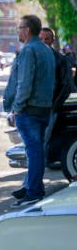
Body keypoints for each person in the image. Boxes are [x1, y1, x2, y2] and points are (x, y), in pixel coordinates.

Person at [3, 15, 55, 206]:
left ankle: (33, 191)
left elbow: (24, 83)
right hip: (43, 108)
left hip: (29, 110)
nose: (17, 31)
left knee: (33, 152)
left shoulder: (29, 50)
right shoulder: (46, 49)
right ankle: (32, 186)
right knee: (37, 151)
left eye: (19, 27)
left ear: (27, 29)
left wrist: (16, 108)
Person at [41, 27, 74, 167]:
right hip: (34, 108)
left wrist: (55, 105)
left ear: (52, 40)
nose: (43, 42)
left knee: (43, 140)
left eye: (47, 39)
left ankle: (38, 172)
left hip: (50, 108)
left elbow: (66, 86)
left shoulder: (60, 60)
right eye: (41, 39)